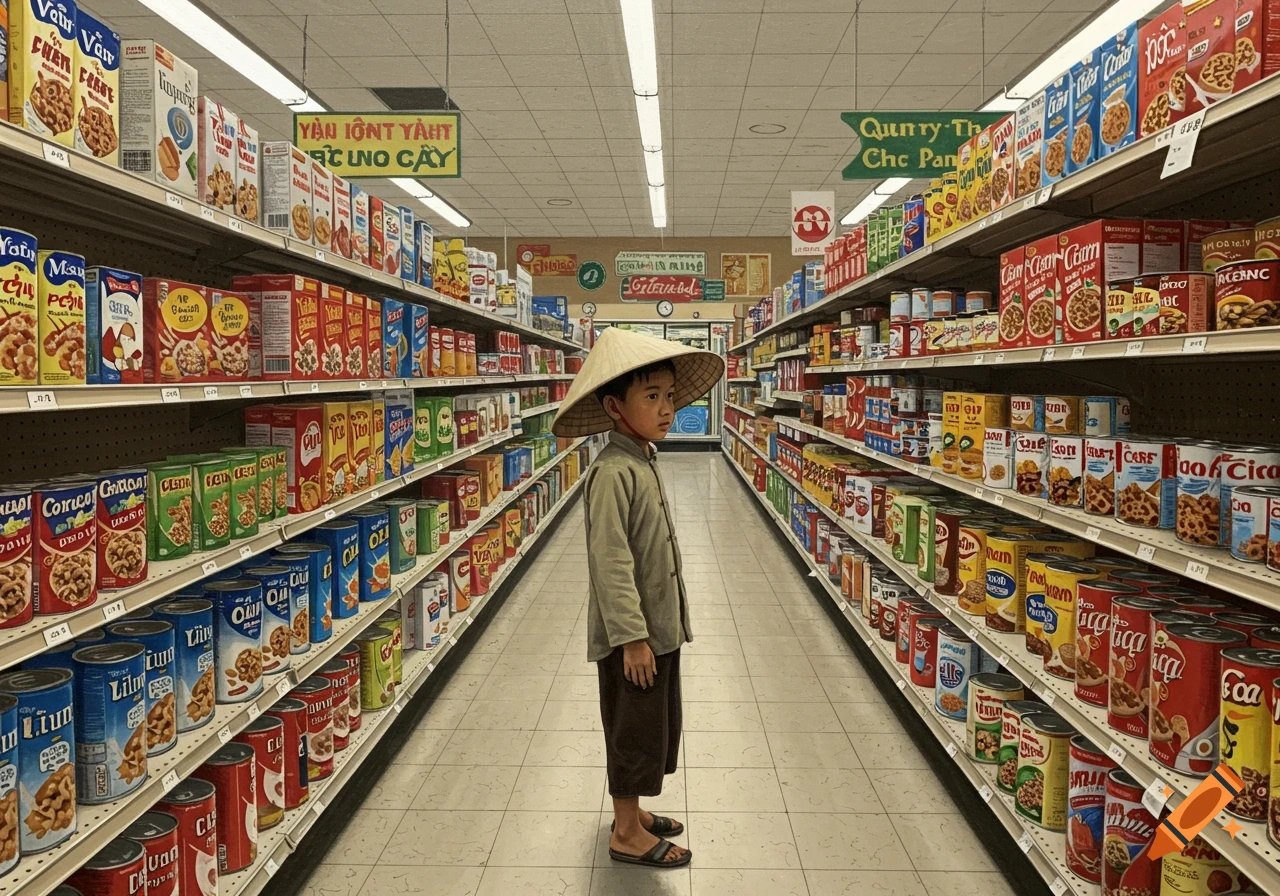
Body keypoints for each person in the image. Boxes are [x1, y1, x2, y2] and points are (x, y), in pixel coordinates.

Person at [551, 327, 725, 870]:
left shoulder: (643, 459)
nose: (667, 408)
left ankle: (635, 811)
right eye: (651, 397)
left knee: (653, 726)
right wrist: (631, 639)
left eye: (670, 396)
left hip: (658, 630)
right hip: (636, 637)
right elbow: (611, 564)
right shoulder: (611, 472)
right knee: (632, 731)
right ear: (613, 406)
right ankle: (626, 832)